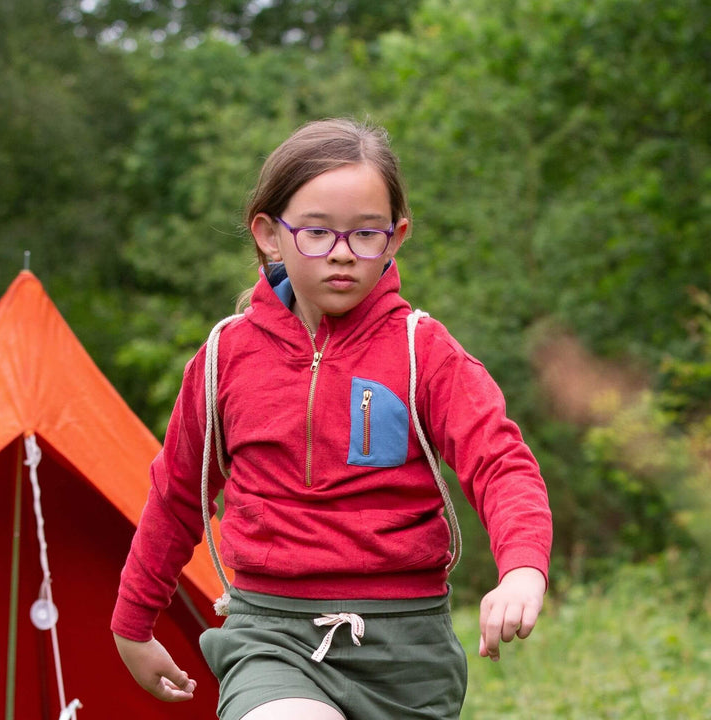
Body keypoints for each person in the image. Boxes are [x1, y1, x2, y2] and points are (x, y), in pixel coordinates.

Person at [112, 117, 553, 720]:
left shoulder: (424, 351)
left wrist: (523, 568)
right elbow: (177, 496)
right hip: (271, 639)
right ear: (269, 234)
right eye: (316, 232)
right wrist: (133, 623)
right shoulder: (224, 358)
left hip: (408, 655)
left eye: (365, 234)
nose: (342, 254)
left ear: (395, 237)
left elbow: (501, 465)